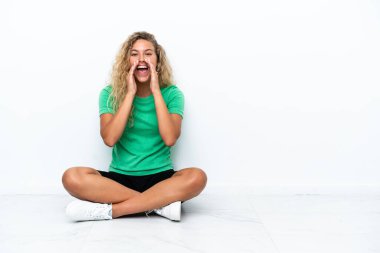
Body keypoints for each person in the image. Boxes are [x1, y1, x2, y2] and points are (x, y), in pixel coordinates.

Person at [62, 31, 207, 222]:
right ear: (126, 61)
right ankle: (159, 206)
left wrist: (156, 91)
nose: (142, 59)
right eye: (134, 54)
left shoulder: (172, 94)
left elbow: (170, 138)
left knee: (197, 177)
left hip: (161, 180)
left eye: (148, 54)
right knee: (71, 177)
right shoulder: (110, 94)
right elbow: (109, 139)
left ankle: (113, 211)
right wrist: (130, 93)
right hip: (119, 181)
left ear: (158, 60)